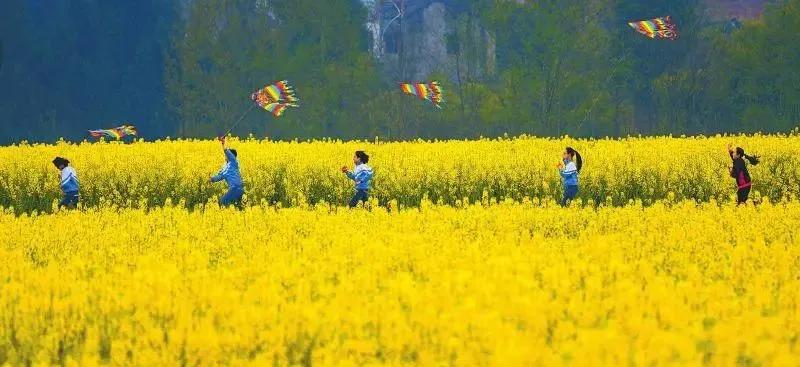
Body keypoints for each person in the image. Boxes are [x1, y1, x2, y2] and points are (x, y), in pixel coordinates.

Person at [210, 137, 244, 208]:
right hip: (233, 189)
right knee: (233, 206)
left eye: (228, 155)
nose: (225, 156)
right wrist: (211, 179)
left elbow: (226, 151)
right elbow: (220, 176)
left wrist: (223, 142)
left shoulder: (233, 162)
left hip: (236, 188)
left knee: (222, 202)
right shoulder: (225, 167)